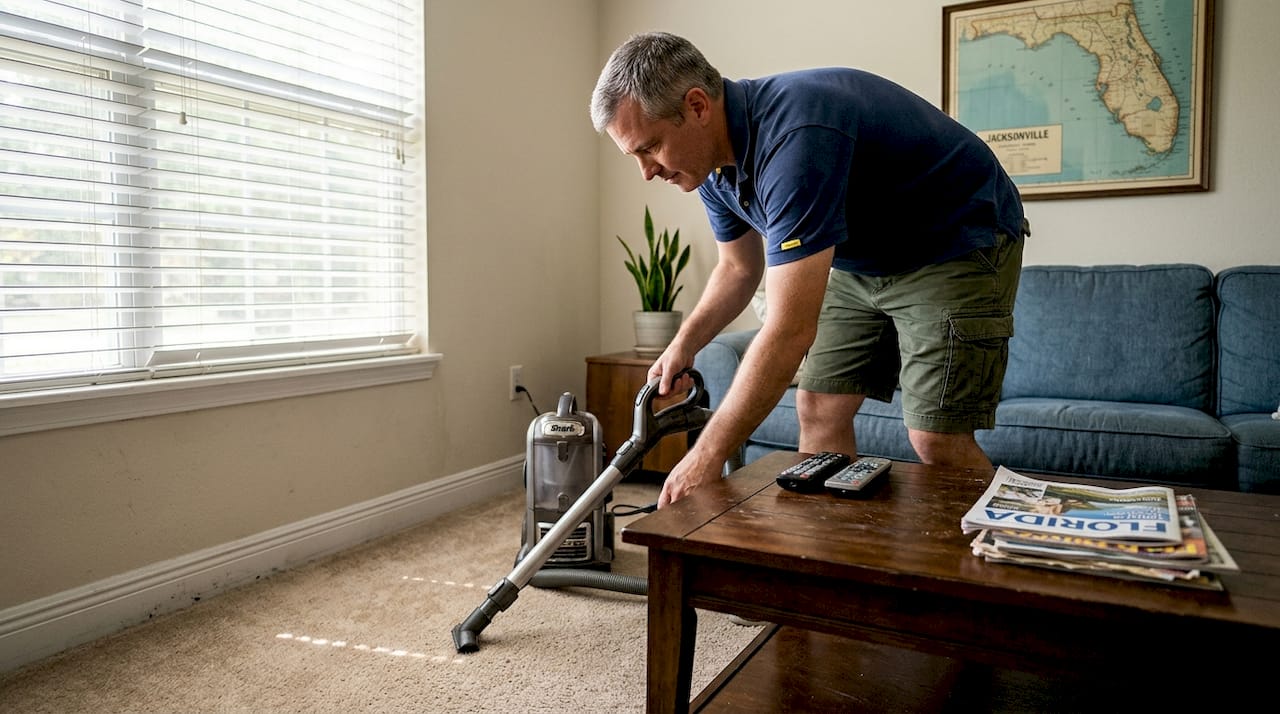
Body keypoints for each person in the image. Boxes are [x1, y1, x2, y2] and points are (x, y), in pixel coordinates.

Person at [590, 32, 1027, 508]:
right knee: (819, 407)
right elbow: (738, 268)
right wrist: (684, 343)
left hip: (955, 241)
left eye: (649, 148)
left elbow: (789, 330)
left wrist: (706, 454)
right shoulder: (713, 168)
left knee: (935, 438)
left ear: (697, 107)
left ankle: (1016, 552)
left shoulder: (796, 138)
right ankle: (832, 562)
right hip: (864, 262)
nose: (646, 171)